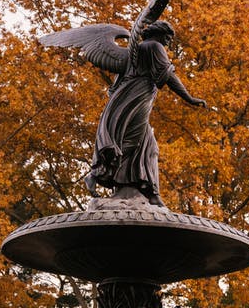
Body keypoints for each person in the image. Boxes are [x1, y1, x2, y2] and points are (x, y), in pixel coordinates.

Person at [87, 20, 206, 207]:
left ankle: (150, 192)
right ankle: (97, 174)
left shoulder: (134, 51)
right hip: (137, 96)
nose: (168, 42)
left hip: (126, 97)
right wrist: (189, 98)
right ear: (159, 34)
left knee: (148, 144)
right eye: (167, 37)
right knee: (134, 140)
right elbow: (168, 77)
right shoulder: (154, 46)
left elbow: (117, 82)